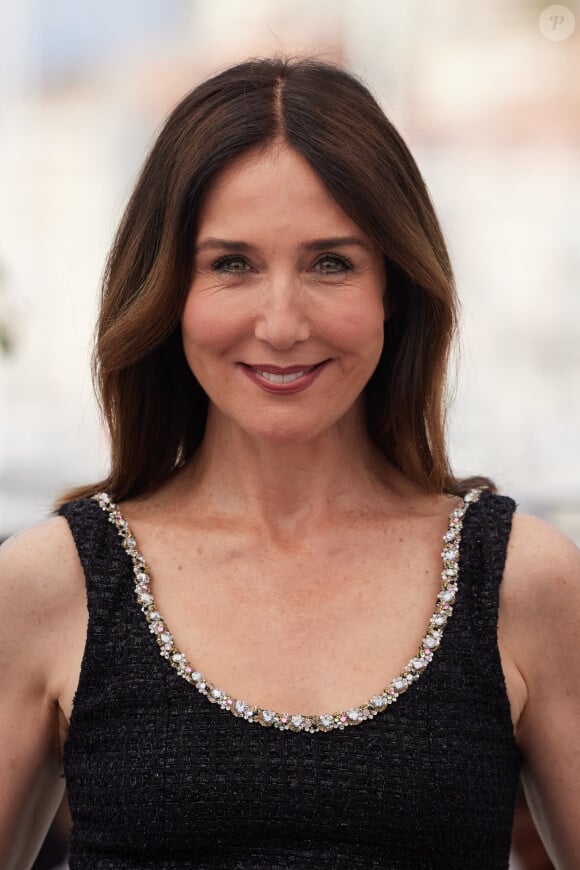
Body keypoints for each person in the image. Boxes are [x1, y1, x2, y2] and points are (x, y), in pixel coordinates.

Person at [1, 56, 579, 870]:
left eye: (330, 263)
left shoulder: (528, 581)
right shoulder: (45, 587)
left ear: (396, 289)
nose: (280, 324)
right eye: (231, 263)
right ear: (168, 291)